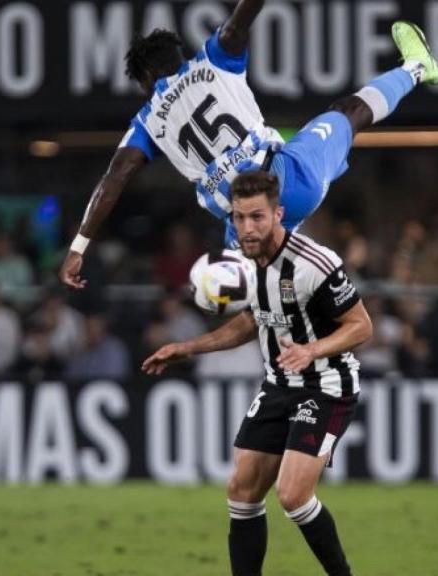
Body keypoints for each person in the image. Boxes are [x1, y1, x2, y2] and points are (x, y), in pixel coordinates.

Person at [60, 2, 438, 287]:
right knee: (349, 112)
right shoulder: (212, 58)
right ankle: (416, 66)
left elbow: (114, 179)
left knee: (255, 306)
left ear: (146, 78)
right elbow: (241, 18)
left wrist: (79, 246)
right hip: (286, 181)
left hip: (242, 230)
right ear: (179, 56)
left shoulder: (145, 121)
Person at [142, 171, 372, 576]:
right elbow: (253, 321)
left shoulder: (312, 264)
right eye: (240, 217)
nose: (248, 227)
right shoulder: (244, 264)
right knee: (242, 491)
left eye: (257, 217)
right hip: (278, 384)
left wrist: (311, 349)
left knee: (293, 495)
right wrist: (189, 348)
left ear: (278, 214)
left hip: (326, 385)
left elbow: (361, 326)